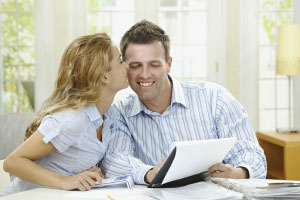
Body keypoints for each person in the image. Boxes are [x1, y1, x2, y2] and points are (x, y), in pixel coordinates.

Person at [101, 20, 267, 185]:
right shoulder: (119, 113)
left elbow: (252, 154)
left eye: (154, 65)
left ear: (168, 64)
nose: (144, 74)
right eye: (136, 65)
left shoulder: (215, 98)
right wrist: (149, 173)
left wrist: (239, 172)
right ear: (125, 68)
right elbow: (114, 159)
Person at [0, 33, 128, 196]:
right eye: (121, 61)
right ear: (104, 76)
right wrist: (64, 181)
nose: (128, 65)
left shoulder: (110, 116)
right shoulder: (73, 119)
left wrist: (90, 173)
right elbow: (13, 162)